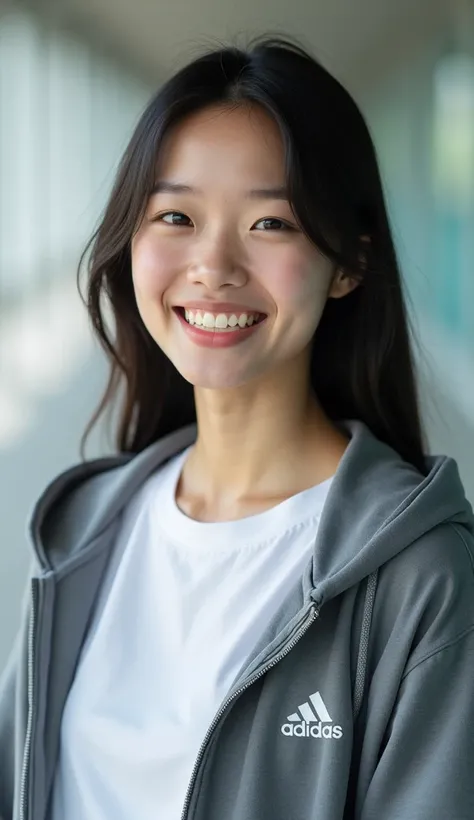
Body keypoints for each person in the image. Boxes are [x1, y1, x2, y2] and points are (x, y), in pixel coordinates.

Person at [1, 36, 474, 820]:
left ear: (350, 262)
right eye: (177, 215)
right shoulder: (84, 527)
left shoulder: (421, 576)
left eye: (271, 224)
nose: (213, 265)